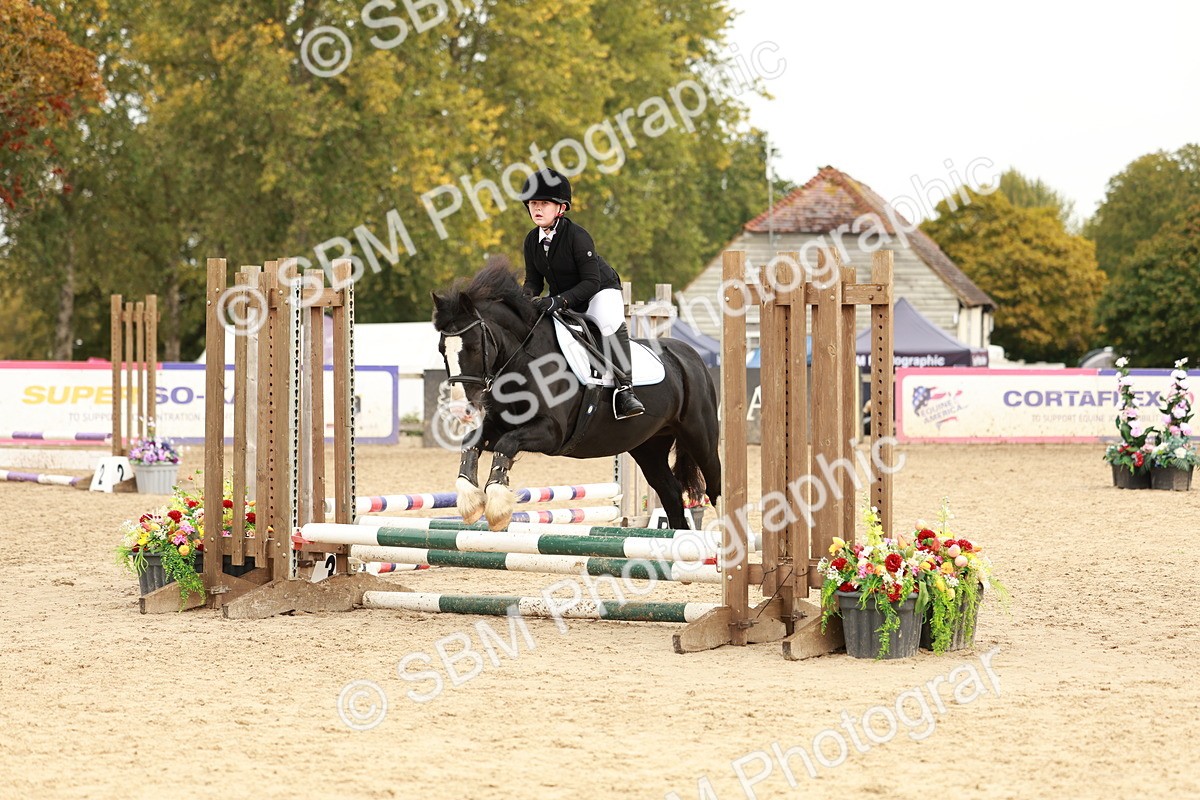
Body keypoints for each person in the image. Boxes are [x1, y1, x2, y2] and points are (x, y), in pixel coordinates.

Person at [520, 168, 645, 419]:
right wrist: (521, 302)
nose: (537, 208)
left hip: (599, 290)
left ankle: (625, 389)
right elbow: (533, 281)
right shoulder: (531, 240)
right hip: (565, 296)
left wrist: (557, 300)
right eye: (533, 203)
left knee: (607, 321)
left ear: (561, 208)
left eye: (544, 203)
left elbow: (590, 281)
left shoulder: (578, 236)